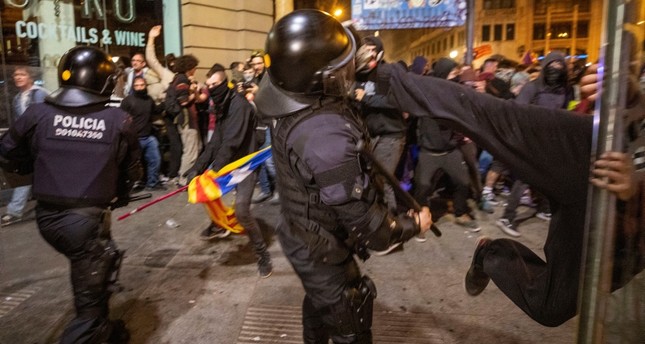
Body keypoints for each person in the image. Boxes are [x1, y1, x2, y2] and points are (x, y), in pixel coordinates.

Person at [383, 59, 643, 326]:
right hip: (598, 161)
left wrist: (636, 186)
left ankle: (490, 254)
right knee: (487, 116)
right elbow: (491, 112)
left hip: (629, 229)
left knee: (550, 307)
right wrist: (632, 98)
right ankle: (385, 76)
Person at [255, 10, 432, 343]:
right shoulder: (325, 136)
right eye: (339, 68)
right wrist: (411, 225)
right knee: (348, 316)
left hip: (303, 232)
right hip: (321, 248)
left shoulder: (289, 92)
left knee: (321, 305)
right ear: (316, 76)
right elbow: (371, 228)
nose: (348, 72)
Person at [0, 46, 141, 343]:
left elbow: (8, 153)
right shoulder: (119, 120)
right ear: (103, 81)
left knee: (102, 265)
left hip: (47, 217)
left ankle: (105, 329)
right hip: (85, 222)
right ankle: (91, 330)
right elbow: (133, 170)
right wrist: (121, 193)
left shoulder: (37, 113)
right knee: (89, 298)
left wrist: (37, 161)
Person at [183, 64, 274, 278]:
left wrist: (213, 170)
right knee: (207, 193)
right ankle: (218, 224)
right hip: (227, 164)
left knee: (242, 210)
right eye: (209, 85)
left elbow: (231, 142)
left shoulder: (239, 106)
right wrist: (197, 168)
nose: (212, 88)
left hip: (244, 166)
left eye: (215, 84)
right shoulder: (222, 104)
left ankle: (262, 254)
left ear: (224, 83)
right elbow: (215, 141)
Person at [496, 51, 573, 237]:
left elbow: (568, 111)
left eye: (560, 66)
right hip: (532, 140)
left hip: (553, 141)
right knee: (525, 178)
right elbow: (519, 112)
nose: (556, 69)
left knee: (550, 176)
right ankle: (507, 217)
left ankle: (545, 208)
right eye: (552, 65)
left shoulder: (566, 89)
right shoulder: (532, 87)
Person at [352, 35, 408, 216]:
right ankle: (377, 217)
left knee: (384, 179)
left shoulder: (387, 72)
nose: (369, 54)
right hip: (371, 135)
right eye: (365, 50)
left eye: (372, 50)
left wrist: (366, 98)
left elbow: (397, 101)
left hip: (391, 135)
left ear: (379, 52)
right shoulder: (358, 74)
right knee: (371, 178)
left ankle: (391, 222)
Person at [2, 66, 49, 224]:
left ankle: (15, 210)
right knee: (28, 174)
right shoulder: (17, 98)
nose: (18, 77)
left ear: (31, 77)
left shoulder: (40, 94)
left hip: (41, 141)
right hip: (29, 143)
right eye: (16, 74)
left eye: (22, 74)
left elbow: (47, 117)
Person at [121, 76, 165, 191]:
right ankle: (131, 185)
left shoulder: (148, 99)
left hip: (148, 136)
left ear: (145, 86)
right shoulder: (128, 100)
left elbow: (155, 110)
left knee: (155, 159)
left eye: (142, 85)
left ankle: (152, 183)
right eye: (137, 85)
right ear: (133, 87)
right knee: (133, 163)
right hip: (135, 138)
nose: (139, 88)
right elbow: (121, 118)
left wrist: (166, 101)